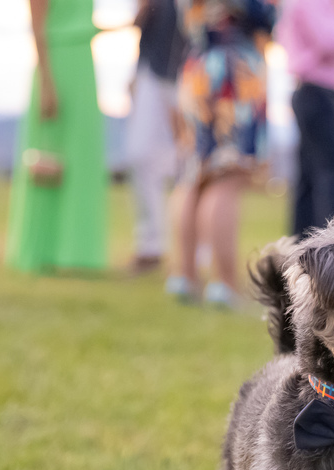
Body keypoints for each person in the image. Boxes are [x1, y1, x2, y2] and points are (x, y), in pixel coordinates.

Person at [169, 0, 275, 306]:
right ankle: (223, 284)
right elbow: (263, 15)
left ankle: (184, 276)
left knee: (193, 175)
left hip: (197, 68)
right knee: (227, 178)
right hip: (235, 71)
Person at [6, 0, 108, 274]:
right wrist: (46, 82)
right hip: (57, 63)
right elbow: (37, 25)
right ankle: (43, 250)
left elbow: (80, 21)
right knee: (49, 159)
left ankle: (77, 252)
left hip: (83, 62)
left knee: (82, 160)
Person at [276, 0, 334, 239]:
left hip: (312, 92)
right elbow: (327, 40)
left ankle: (301, 246)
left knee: (309, 178)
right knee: (333, 175)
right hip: (316, 91)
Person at [125, 0, 188, 275]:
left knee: (191, 161)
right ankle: (150, 245)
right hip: (151, 71)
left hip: (189, 74)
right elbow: (142, 20)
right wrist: (135, 72)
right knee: (140, 155)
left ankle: (195, 251)